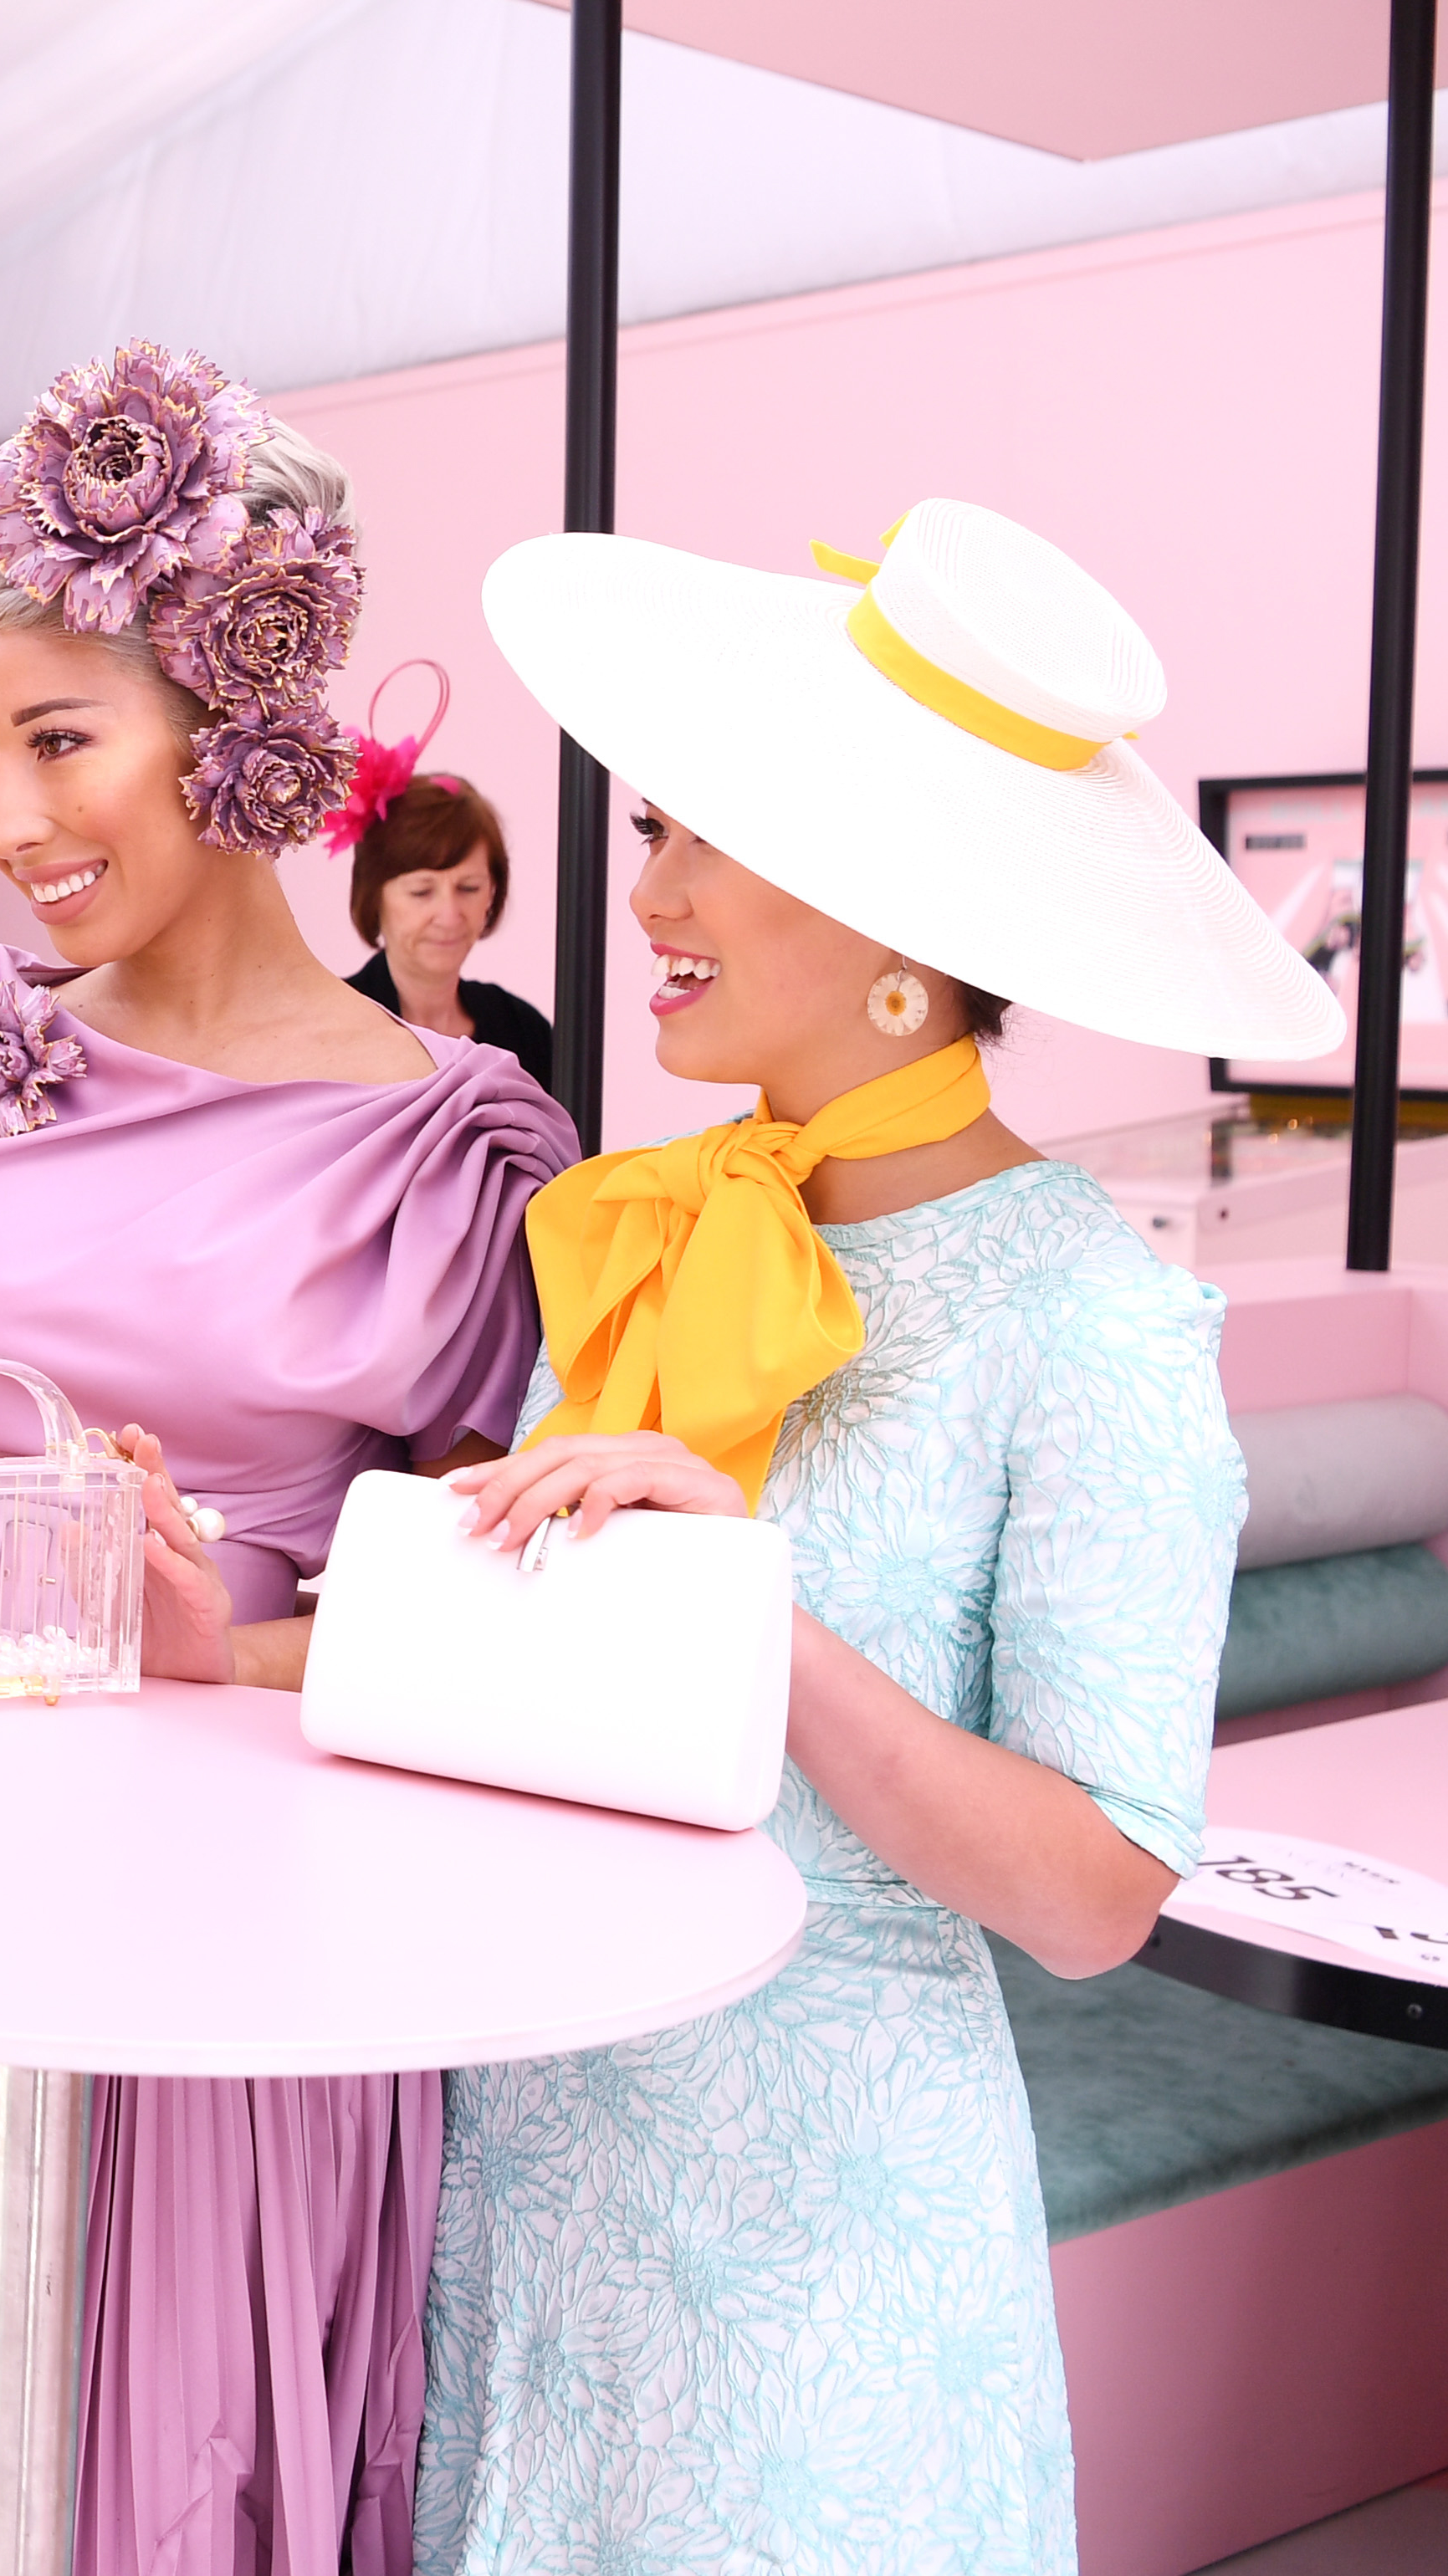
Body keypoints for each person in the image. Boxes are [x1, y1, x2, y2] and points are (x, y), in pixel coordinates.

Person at [0, 345, 578, 2573]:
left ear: (234, 725)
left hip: (246, 1911)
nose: (5, 823)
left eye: (58, 743)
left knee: (174, 2446)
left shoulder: (454, 1147)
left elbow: (482, 1631)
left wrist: (226, 1647)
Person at [417, 498, 1341, 2572]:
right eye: (651, 830)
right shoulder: (671, 1231)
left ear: (898, 927)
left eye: (701, 840)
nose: (645, 892)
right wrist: (203, 1628)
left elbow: (1094, 1895)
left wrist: (757, 1619)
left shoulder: (1090, 1323)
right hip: (541, 2171)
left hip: (826, 2255)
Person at [326, 662, 555, 1088]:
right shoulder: (328, 1030)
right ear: (375, 896)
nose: (449, 915)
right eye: (421, 891)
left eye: (468, 887)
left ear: (493, 893)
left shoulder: (524, 1031)